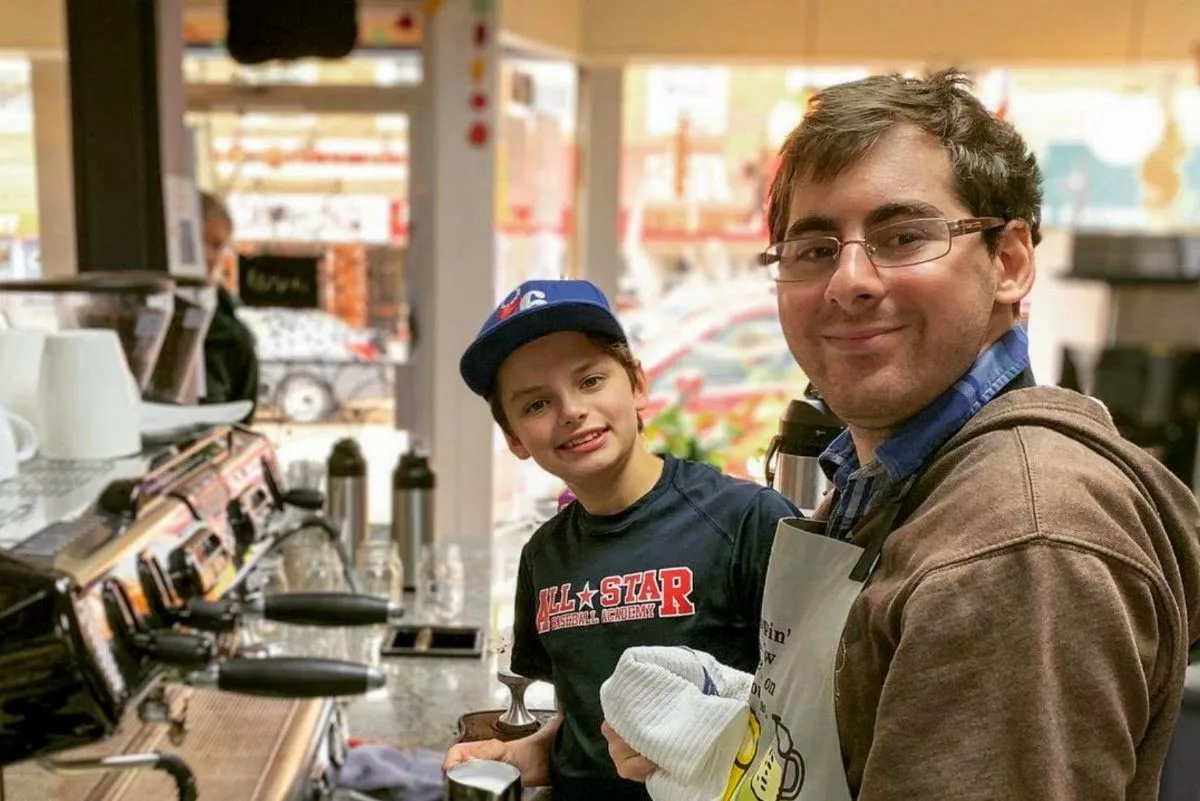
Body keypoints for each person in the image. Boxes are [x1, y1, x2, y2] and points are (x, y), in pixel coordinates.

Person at [600, 69, 1200, 800]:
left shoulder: (1015, 544)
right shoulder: (893, 478)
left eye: (904, 235)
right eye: (814, 248)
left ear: (1009, 262)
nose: (849, 279)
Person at [443, 279, 798, 800]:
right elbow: (580, 725)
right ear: (516, 438)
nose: (569, 410)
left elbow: (812, 715)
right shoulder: (543, 556)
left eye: (589, 381)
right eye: (536, 405)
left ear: (637, 386)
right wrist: (523, 756)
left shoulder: (747, 522)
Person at [199, 191, 259, 422]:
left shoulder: (231, 337)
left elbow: (241, 425)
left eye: (215, 245)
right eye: (196, 241)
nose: (205, 255)